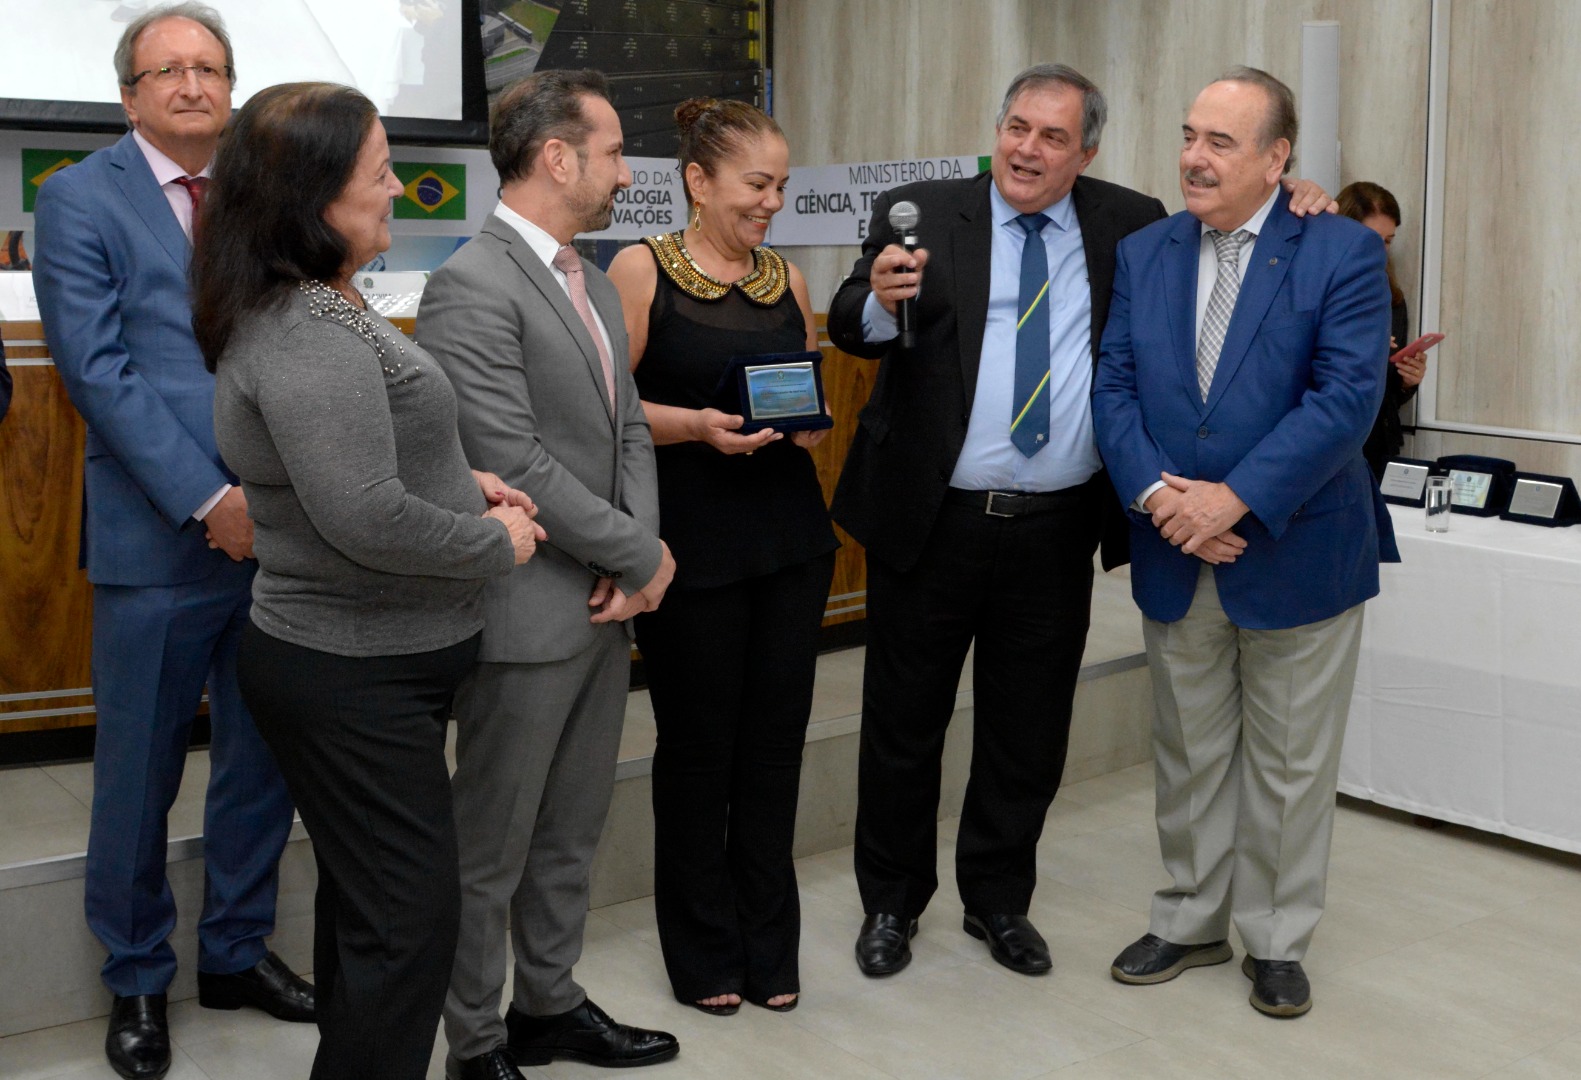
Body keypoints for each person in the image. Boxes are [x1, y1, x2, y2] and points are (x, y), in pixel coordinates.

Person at [826, 62, 1334, 981]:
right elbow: (850, 319)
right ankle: (891, 904)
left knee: (1027, 730)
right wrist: (876, 298)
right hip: (930, 520)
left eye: (1052, 136)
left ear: (1086, 152)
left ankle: (997, 901)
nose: (1026, 149)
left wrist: (1297, 192)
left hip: (1054, 526)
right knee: (903, 725)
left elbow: (1236, 226)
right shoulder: (925, 212)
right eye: (1015, 127)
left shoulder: (1130, 223)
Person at [194, 81, 540, 1079]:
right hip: (351, 672)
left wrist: (461, 483)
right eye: (379, 172)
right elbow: (362, 516)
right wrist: (494, 542)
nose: (397, 188)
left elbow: (365, 460)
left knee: (372, 913)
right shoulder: (305, 329)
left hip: (379, 661)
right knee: (407, 929)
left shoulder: (326, 300)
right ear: (314, 198)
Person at [31, 6, 311, 1076]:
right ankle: (138, 975)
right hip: (158, 539)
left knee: (261, 760)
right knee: (137, 774)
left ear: (231, 87)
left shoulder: (264, 193)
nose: (192, 85)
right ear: (129, 94)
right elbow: (96, 370)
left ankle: (236, 952)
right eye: (169, 71)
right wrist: (206, 498)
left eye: (209, 68)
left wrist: (275, 492)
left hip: (281, 530)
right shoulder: (77, 197)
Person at [1092, 67, 1397, 1019]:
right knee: (1187, 752)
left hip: (1297, 549)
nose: (1193, 156)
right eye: (1188, 135)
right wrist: (1160, 499)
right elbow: (1114, 388)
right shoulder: (1145, 251)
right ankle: (1190, 918)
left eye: (1220, 142)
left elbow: (1346, 399)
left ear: (1277, 158)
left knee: (1289, 762)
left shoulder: (1341, 251)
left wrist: (1233, 502)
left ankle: (1273, 938)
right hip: (1173, 544)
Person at [419, 70, 680, 1080]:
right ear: (557, 157)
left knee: (572, 833)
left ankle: (549, 1005)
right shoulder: (470, 284)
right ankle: (475, 1042)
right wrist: (638, 554)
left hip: (605, 608)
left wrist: (638, 560)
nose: (626, 173)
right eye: (613, 153)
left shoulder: (593, 280)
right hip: (524, 615)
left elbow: (628, 436)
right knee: (491, 849)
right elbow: (510, 459)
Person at [606, 98, 837, 1016]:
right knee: (699, 752)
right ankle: (704, 954)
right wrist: (696, 425)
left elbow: (803, 387)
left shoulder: (787, 277)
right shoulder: (638, 269)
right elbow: (606, 407)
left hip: (789, 542)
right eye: (757, 184)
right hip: (688, 548)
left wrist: (808, 422)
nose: (772, 203)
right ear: (698, 183)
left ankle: (769, 948)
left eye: (781, 185)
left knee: (774, 750)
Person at [1338, 181, 1423, 478]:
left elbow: (1387, 397)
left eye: (1388, 241)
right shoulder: (1316, 287)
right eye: (1373, 239)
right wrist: (1360, 347)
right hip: (1332, 444)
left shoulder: (1392, 296)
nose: (1381, 251)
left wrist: (1407, 382)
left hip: (1379, 445)